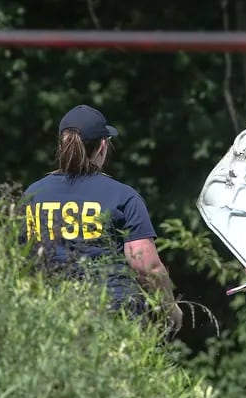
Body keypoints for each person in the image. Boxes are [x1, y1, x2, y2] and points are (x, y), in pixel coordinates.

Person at [20, 104, 182, 331]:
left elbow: (21, 257)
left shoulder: (33, 195)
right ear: (103, 146)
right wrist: (170, 308)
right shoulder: (123, 196)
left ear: (61, 145)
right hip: (113, 316)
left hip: (50, 315)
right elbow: (147, 267)